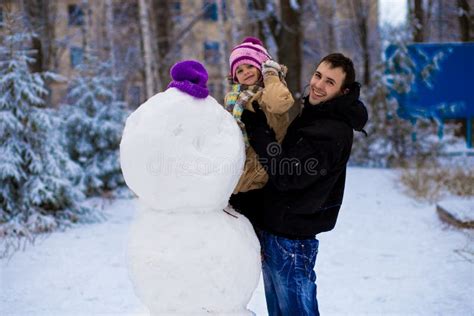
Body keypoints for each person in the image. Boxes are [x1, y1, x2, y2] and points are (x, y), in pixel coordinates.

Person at [241, 53, 368, 315]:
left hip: (292, 243)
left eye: (329, 82)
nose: (319, 85)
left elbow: (288, 174)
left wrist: (258, 129)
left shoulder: (332, 130)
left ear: (342, 91)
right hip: (277, 234)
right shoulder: (313, 114)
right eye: (318, 75)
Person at [223, 37, 294, 202]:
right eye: (239, 70)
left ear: (261, 66)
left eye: (250, 66)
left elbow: (278, 103)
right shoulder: (234, 98)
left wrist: (270, 75)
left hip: (262, 171)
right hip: (239, 171)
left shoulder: (269, 92)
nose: (245, 72)